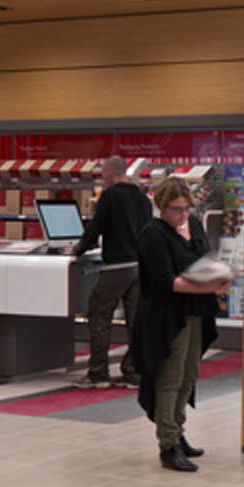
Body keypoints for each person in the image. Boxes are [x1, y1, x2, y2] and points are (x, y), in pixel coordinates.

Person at [133, 178, 230, 472]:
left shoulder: (195, 226)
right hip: (166, 316)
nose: (183, 215)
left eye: (187, 208)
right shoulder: (153, 235)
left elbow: (202, 261)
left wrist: (220, 274)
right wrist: (209, 286)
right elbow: (165, 282)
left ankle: (179, 430)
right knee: (170, 378)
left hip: (196, 311)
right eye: (177, 209)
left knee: (190, 374)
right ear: (162, 208)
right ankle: (168, 443)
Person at [72, 156, 153, 388]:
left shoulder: (110, 196)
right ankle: (133, 371)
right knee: (135, 320)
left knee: (99, 313)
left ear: (110, 172)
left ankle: (98, 374)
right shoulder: (142, 198)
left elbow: (95, 229)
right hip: (140, 266)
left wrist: (78, 249)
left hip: (117, 266)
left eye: (102, 172)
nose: (101, 177)